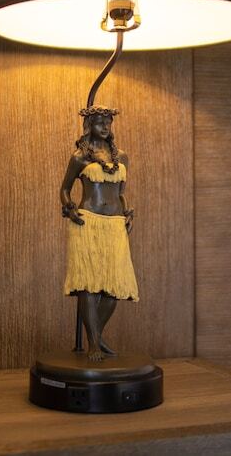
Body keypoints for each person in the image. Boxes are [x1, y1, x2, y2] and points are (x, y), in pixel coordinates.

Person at [59, 105, 138, 362]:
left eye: (108, 123)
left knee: (114, 287)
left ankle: (97, 334)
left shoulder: (121, 157)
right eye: (99, 123)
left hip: (114, 224)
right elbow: (65, 189)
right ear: (89, 125)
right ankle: (93, 343)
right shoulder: (80, 157)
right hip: (88, 222)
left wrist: (127, 211)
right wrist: (70, 209)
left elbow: (121, 193)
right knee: (89, 286)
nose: (105, 127)